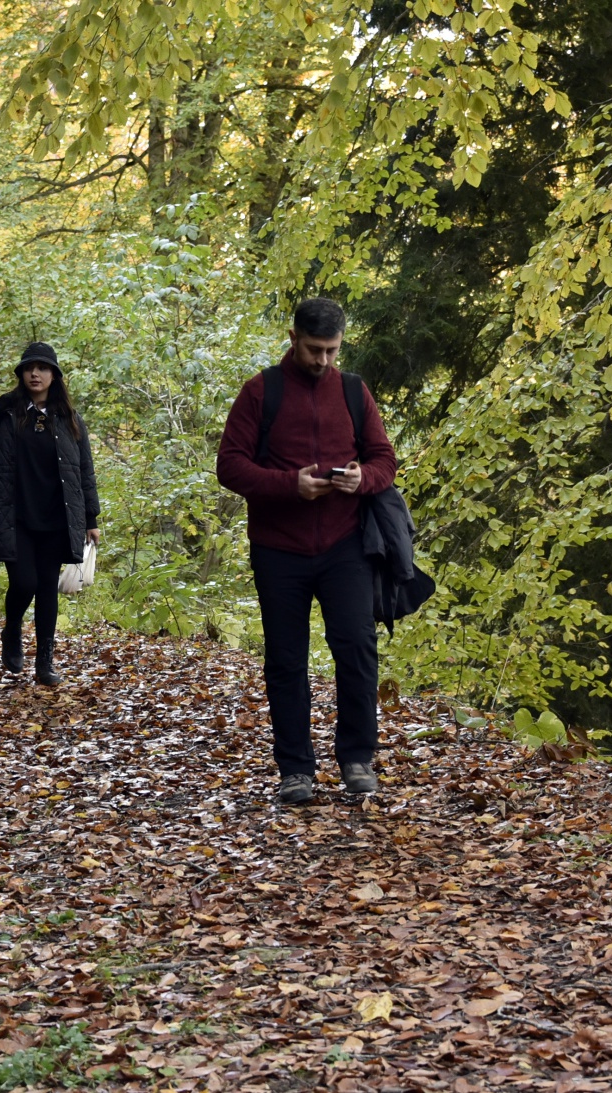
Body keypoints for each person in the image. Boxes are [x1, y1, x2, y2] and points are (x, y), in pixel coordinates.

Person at [216, 298, 398, 804]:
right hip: (279, 549)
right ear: (293, 338)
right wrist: (287, 485)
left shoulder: (354, 390)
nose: (323, 360)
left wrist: (364, 479)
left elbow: (385, 459)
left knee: (357, 652)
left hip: (346, 546)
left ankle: (358, 759)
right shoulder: (260, 392)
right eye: (315, 349)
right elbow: (229, 466)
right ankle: (295, 769)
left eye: (332, 351)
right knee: (286, 660)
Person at [0, 342, 101, 685]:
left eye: (42, 368)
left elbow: (84, 469)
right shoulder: (2, 413)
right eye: (29, 368)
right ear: (21, 374)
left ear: (54, 375)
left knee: (47, 589)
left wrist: (91, 519)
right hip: (14, 514)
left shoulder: (69, 418)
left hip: (57, 516)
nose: (35, 374)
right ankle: (12, 630)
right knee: (24, 582)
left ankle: (45, 661)